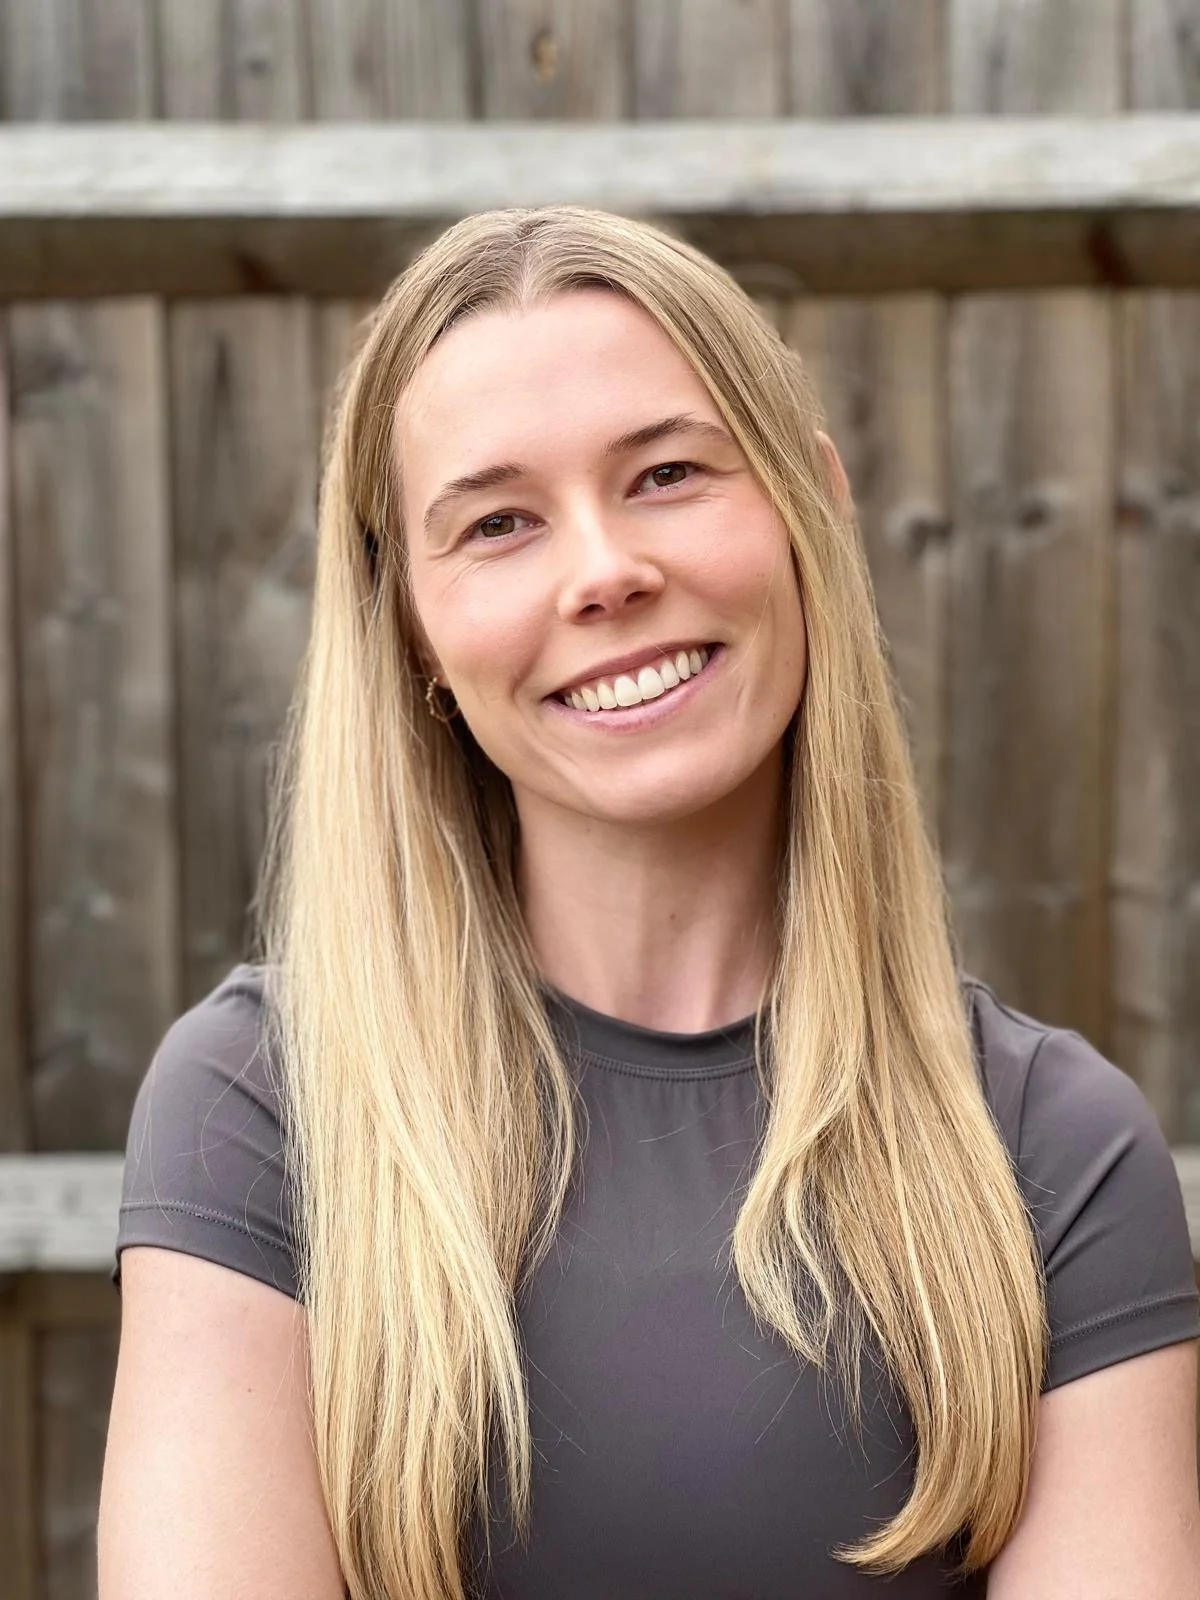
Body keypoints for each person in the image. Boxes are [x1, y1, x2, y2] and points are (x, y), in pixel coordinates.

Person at [98, 207, 1200, 1600]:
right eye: (498, 522)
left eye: (669, 473)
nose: (604, 571)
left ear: (815, 504)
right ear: (411, 628)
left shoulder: (1056, 1153)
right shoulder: (259, 1108)